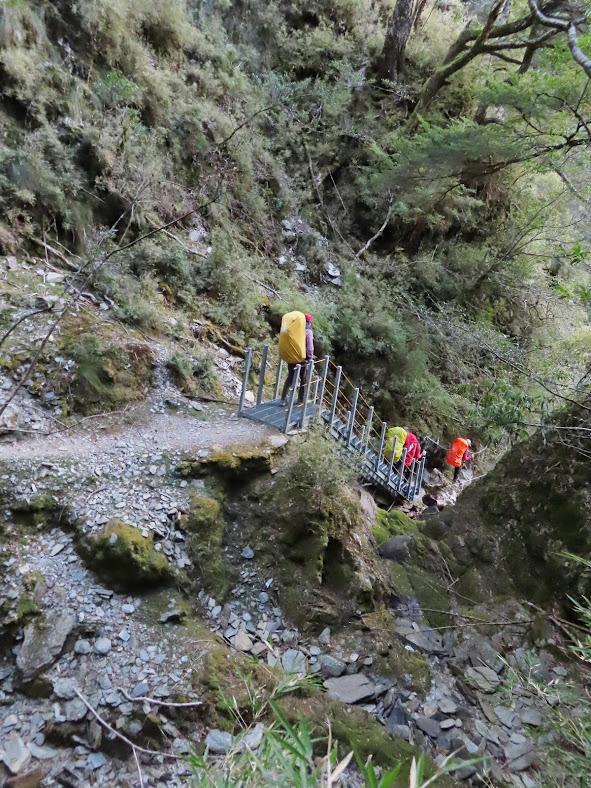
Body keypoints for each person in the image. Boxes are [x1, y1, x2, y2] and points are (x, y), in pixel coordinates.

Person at [280, 314, 314, 406]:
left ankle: (283, 399)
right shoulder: (308, 332)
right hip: (303, 359)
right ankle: (301, 400)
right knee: (303, 379)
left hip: (292, 356)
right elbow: (309, 347)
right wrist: (310, 359)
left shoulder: (295, 330)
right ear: (309, 323)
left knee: (290, 377)